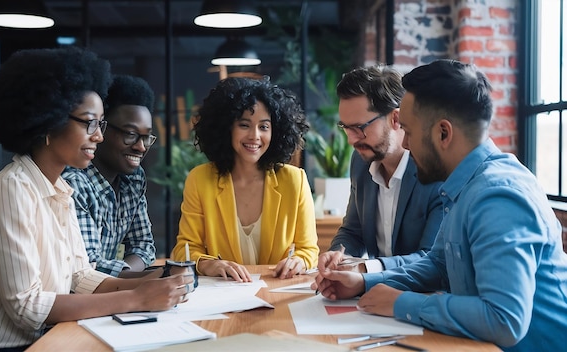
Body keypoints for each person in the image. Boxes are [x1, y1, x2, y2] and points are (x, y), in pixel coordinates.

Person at [312, 60, 567, 351]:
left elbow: (504, 320)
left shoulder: (498, 197)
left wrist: (400, 302)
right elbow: (437, 264)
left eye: (408, 130)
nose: (404, 143)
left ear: (443, 133)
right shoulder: (466, 184)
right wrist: (364, 282)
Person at [0, 47, 193, 351]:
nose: (99, 136)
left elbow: (81, 277)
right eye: (90, 123)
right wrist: (136, 298)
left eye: (100, 124)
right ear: (49, 123)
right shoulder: (11, 190)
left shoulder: (60, 189)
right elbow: (27, 307)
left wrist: (153, 280)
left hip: (50, 340)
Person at [171, 77, 319, 281]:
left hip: (277, 292)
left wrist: (299, 261)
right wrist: (209, 265)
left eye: (264, 127)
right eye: (244, 125)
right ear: (226, 128)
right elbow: (184, 250)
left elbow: (309, 250)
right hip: (222, 295)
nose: (254, 135)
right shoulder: (200, 180)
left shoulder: (295, 181)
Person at [328, 65, 443, 273]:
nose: (351, 141)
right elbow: (353, 232)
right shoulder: (361, 161)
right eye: (346, 128)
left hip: (421, 297)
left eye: (359, 128)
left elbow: (431, 258)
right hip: (374, 295)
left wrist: (368, 269)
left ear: (396, 119)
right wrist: (338, 256)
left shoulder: (435, 169)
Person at [63, 75, 158, 278]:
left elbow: (143, 245)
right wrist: (143, 279)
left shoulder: (133, 179)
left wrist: (127, 277)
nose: (141, 146)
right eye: (130, 134)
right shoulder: (74, 182)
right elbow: (89, 267)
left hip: (108, 294)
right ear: (101, 128)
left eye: (146, 137)